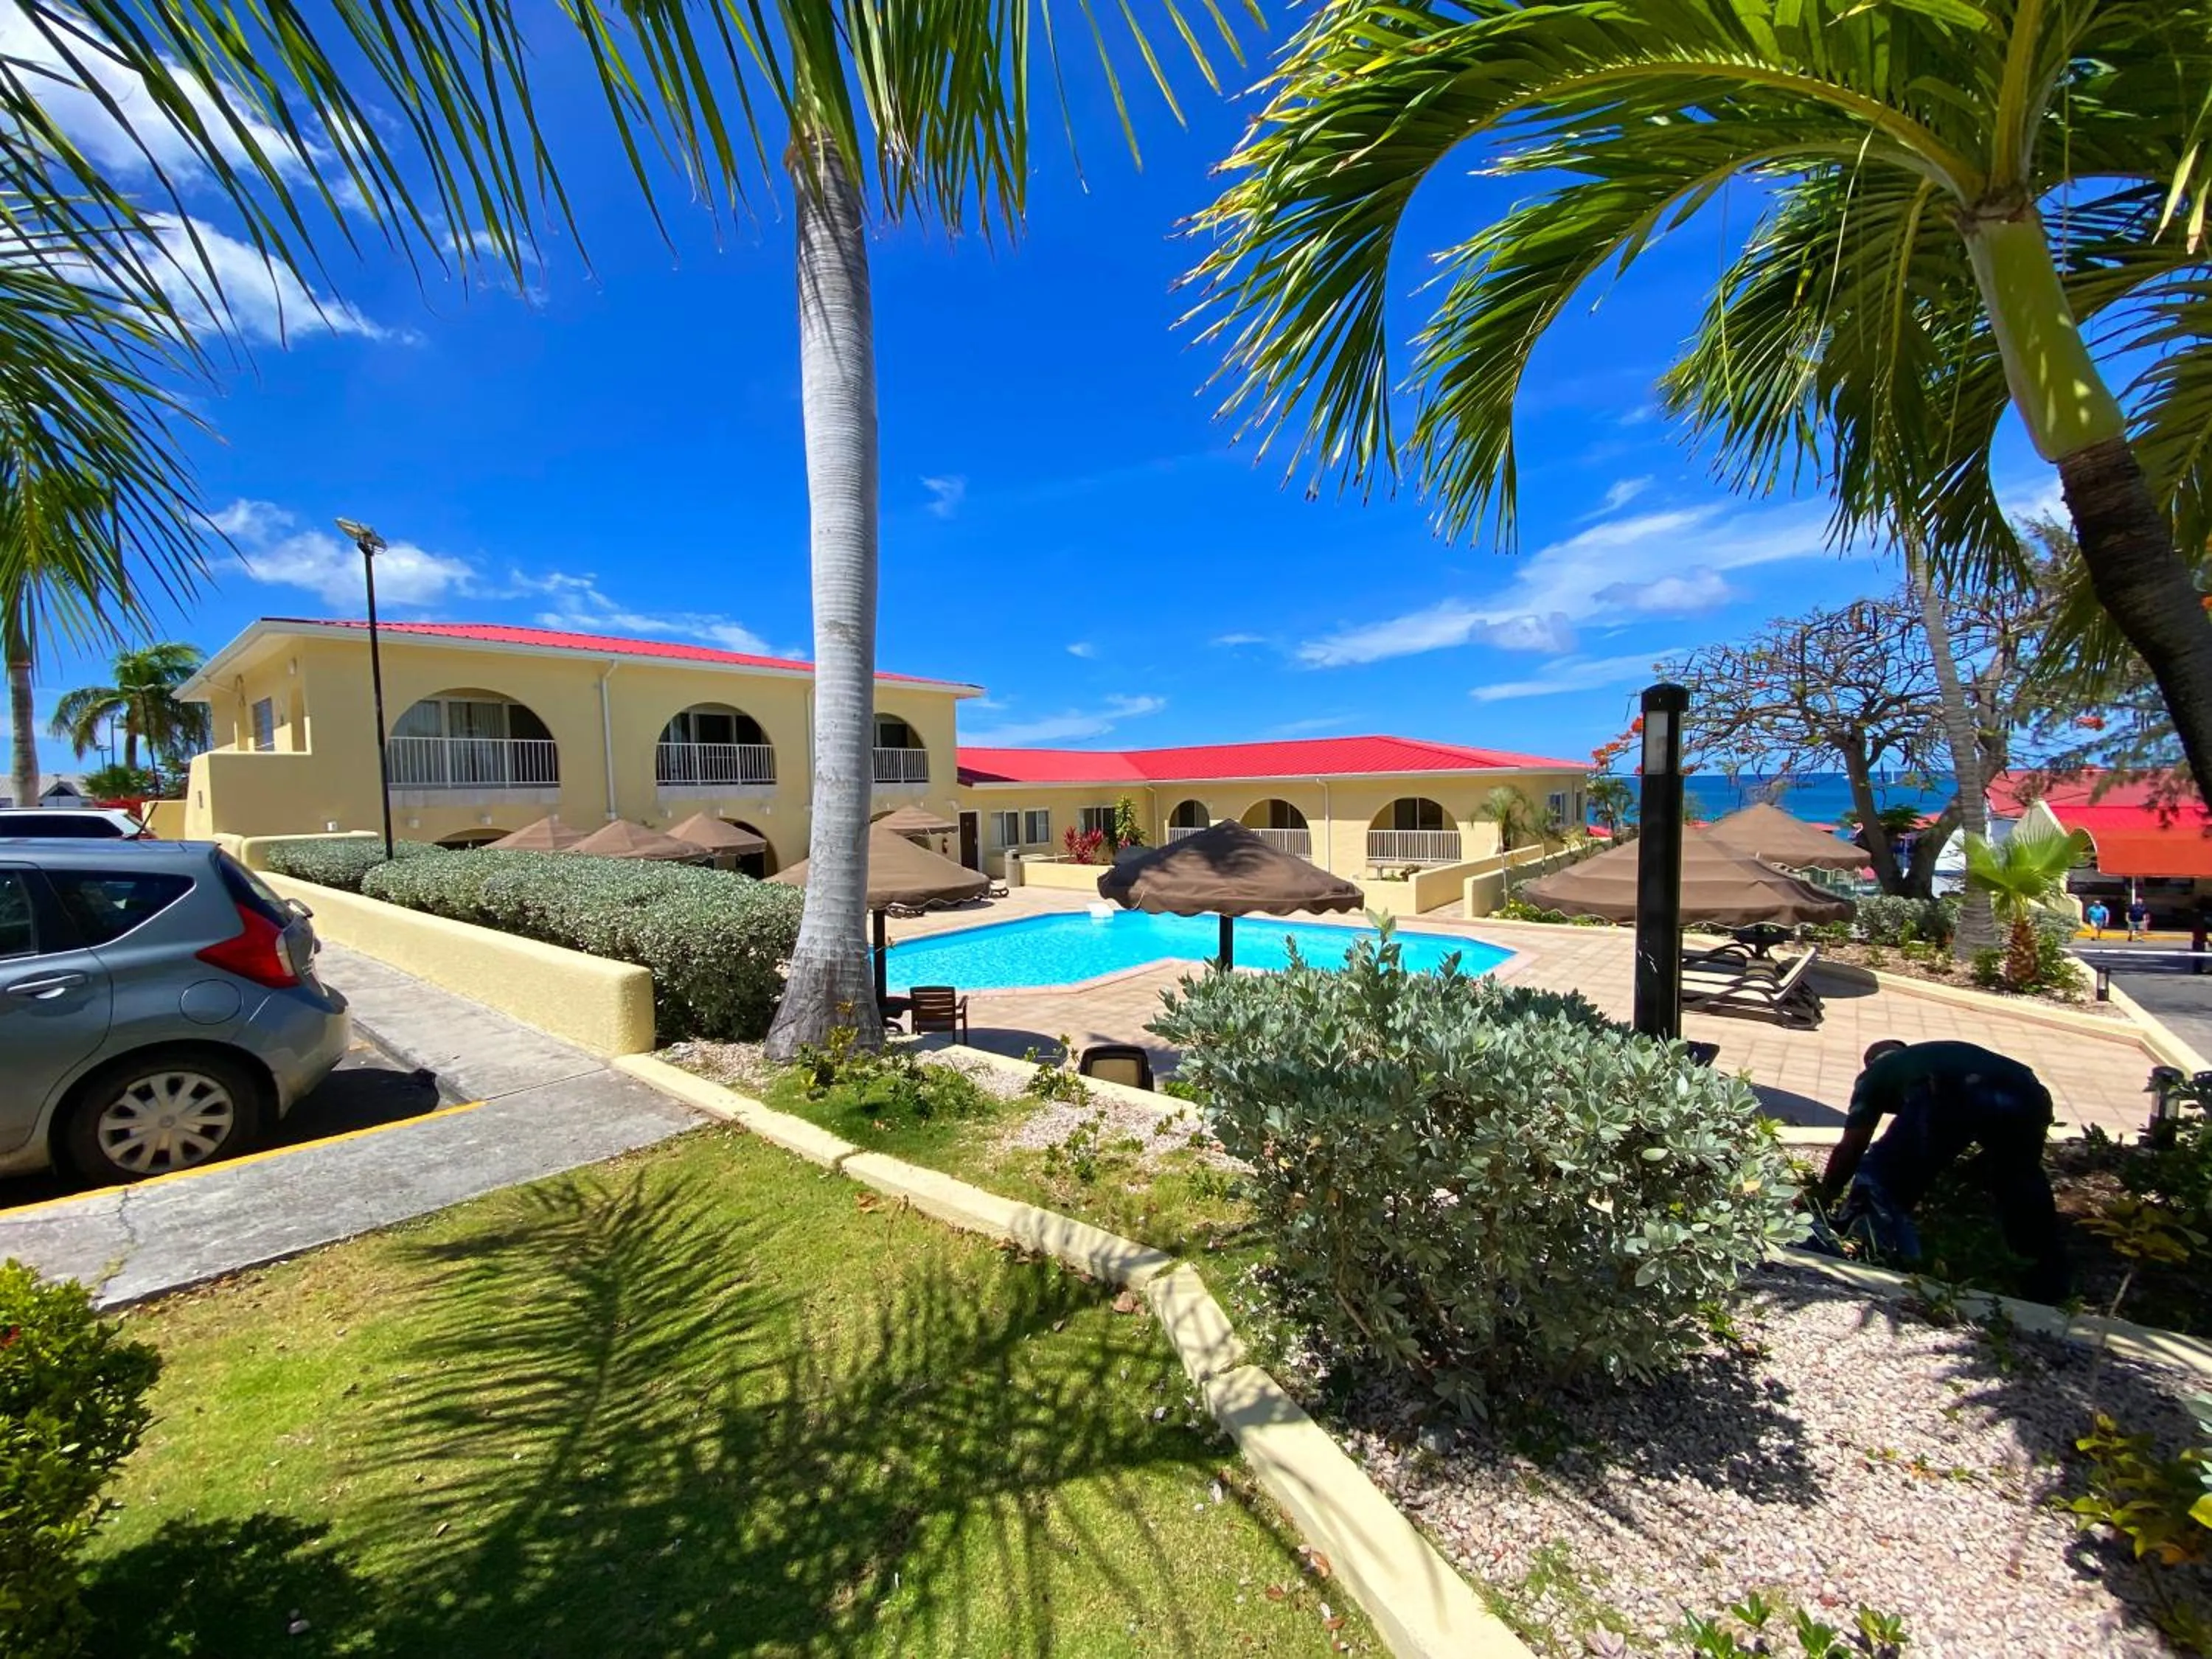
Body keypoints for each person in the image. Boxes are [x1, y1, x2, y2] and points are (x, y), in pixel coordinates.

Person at [1820, 1040, 2069, 1302]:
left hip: (1953, 1090)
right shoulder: (1931, 1055)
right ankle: (2047, 1287)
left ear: (1871, 1062)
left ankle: (1883, 1260)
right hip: (2028, 1091)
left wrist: (1825, 1194)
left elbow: (1852, 1147)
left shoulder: (1876, 1074)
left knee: (1881, 1176)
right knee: (2022, 1184)